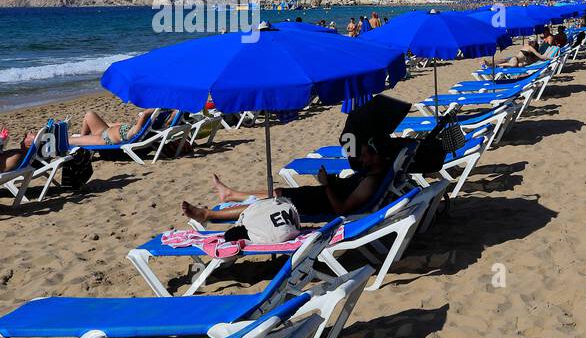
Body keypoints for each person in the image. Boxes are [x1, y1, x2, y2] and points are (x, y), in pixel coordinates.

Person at [182, 136, 391, 223]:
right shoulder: (368, 174)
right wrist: (333, 182)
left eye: (366, 154)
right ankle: (232, 194)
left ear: (379, 157)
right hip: (318, 197)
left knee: (268, 206)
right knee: (279, 192)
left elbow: (342, 210)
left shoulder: (370, 182)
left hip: (320, 204)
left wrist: (327, 185)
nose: (361, 158)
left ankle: (208, 214)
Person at [67, 110, 159, 147]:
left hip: (104, 139)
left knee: (68, 140)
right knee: (89, 114)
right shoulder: (136, 127)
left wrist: (148, 112)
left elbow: (144, 115)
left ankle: (81, 140)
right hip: (105, 130)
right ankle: (83, 139)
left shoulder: (137, 131)